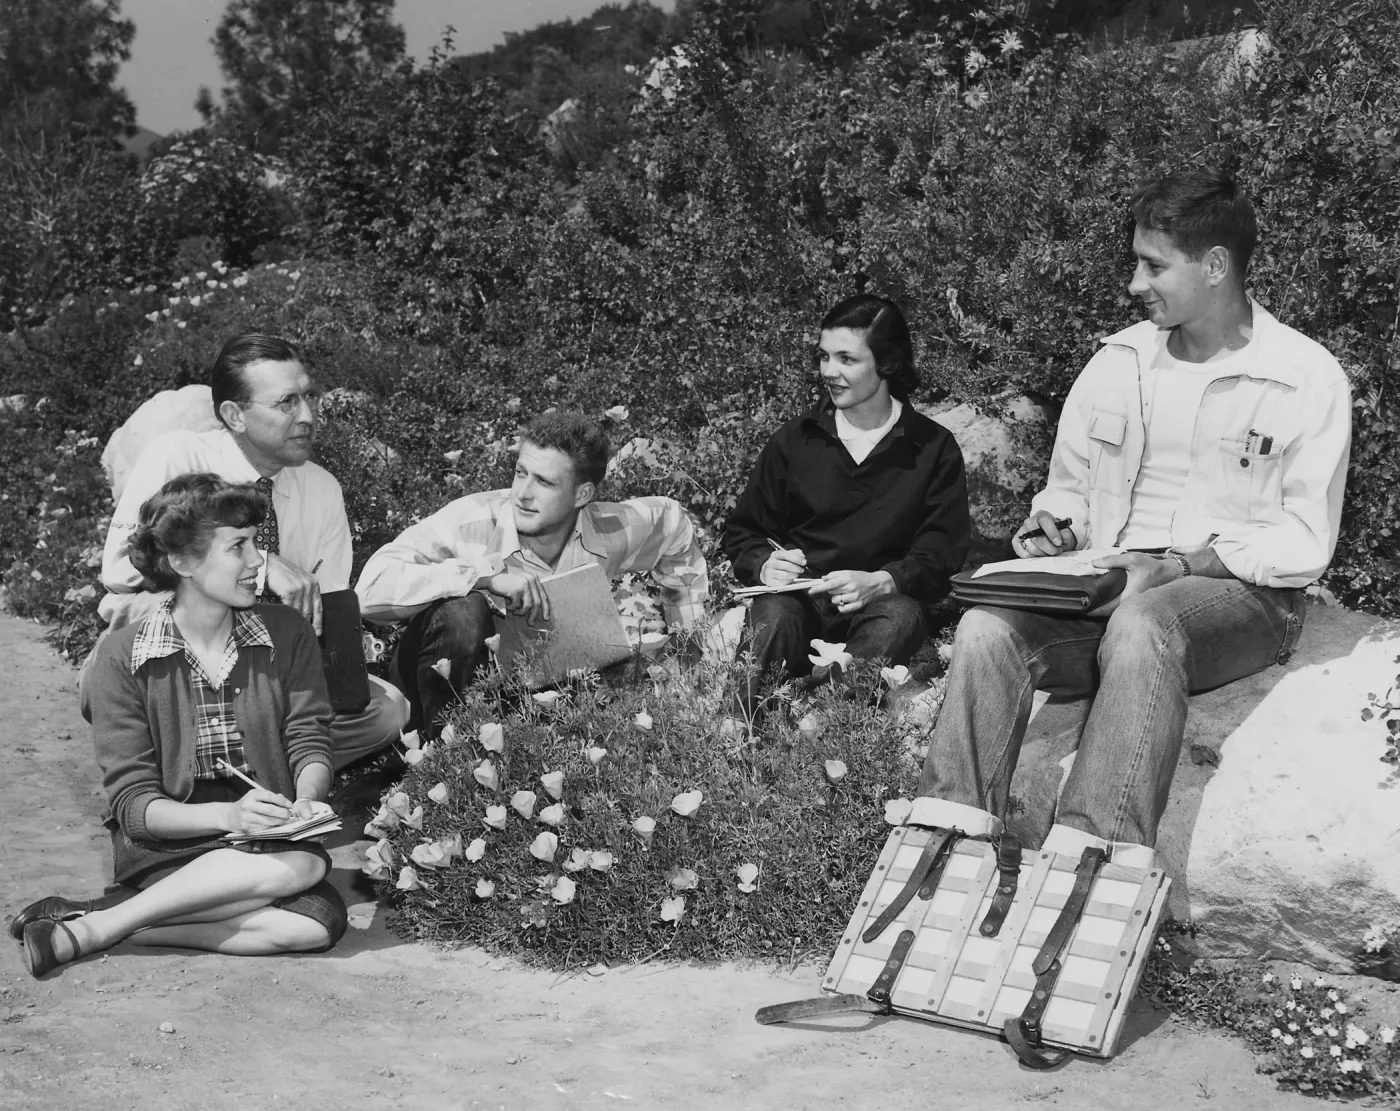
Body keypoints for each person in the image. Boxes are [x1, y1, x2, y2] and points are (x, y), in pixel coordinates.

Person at [911, 169, 1351, 867]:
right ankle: (944, 848)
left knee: (1145, 622)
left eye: (1153, 265)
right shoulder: (1117, 363)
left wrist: (1180, 565)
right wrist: (1055, 524)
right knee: (987, 627)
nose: (1134, 284)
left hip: (1242, 598)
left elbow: (1304, 542)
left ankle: (1094, 860)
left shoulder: (1305, 377)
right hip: (1105, 589)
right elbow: (1070, 490)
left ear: (1214, 266)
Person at [11, 474, 347, 977]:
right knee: (306, 869)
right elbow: (135, 806)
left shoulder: (289, 632)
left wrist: (305, 800)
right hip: (169, 838)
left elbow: (309, 737)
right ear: (183, 562)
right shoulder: (121, 659)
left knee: (312, 928)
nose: (258, 560)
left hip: (263, 836)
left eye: (257, 541)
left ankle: (104, 921)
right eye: (238, 546)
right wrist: (228, 818)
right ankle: (97, 929)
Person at [95, 333, 409, 771]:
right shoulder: (178, 457)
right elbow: (120, 572)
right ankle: (206, 760)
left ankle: (244, 764)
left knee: (387, 711)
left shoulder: (320, 488)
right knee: (140, 610)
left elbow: (328, 607)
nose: (307, 415)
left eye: (309, 396)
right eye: (286, 402)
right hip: (180, 663)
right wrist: (259, 567)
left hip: (270, 668)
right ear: (234, 415)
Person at [356, 411, 710, 735]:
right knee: (464, 612)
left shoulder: (609, 528)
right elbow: (369, 591)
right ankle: (441, 768)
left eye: (544, 482)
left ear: (581, 494)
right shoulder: (473, 520)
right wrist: (483, 577)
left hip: (534, 700)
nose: (522, 494)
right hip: (431, 703)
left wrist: (688, 651)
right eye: (520, 473)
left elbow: (672, 524)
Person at [722, 294, 972, 707]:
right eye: (824, 357)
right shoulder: (795, 440)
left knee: (901, 615)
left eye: (846, 359)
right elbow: (744, 530)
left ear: (887, 363)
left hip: (877, 609)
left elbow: (943, 551)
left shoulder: (932, 448)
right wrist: (764, 563)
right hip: (798, 605)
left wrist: (886, 581)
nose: (829, 372)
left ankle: (828, 723)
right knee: (773, 611)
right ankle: (736, 725)